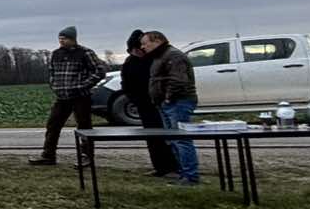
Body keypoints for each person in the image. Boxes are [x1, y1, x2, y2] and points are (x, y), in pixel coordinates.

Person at [29, 25, 107, 165]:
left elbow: (100, 71)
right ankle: (48, 155)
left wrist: (83, 85)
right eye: (60, 38)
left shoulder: (85, 53)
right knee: (53, 125)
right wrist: (54, 85)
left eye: (64, 38)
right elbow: (52, 72)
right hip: (62, 97)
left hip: (80, 97)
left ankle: (86, 156)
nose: (61, 41)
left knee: (84, 127)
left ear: (73, 39)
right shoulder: (56, 54)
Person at [143, 30, 201, 185]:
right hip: (166, 103)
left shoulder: (173, 56)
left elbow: (178, 80)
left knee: (181, 139)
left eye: (145, 43)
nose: (143, 47)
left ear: (157, 41)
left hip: (178, 102)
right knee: (173, 140)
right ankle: (183, 173)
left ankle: (190, 176)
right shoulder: (160, 56)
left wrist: (168, 98)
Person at [119, 29, 175, 176]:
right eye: (133, 50)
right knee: (152, 137)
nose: (137, 52)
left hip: (161, 103)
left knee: (170, 135)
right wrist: (136, 100)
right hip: (144, 104)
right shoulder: (129, 63)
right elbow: (126, 85)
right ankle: (160, 167)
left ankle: (175, 166)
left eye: (139, 49)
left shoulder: (155, 60)